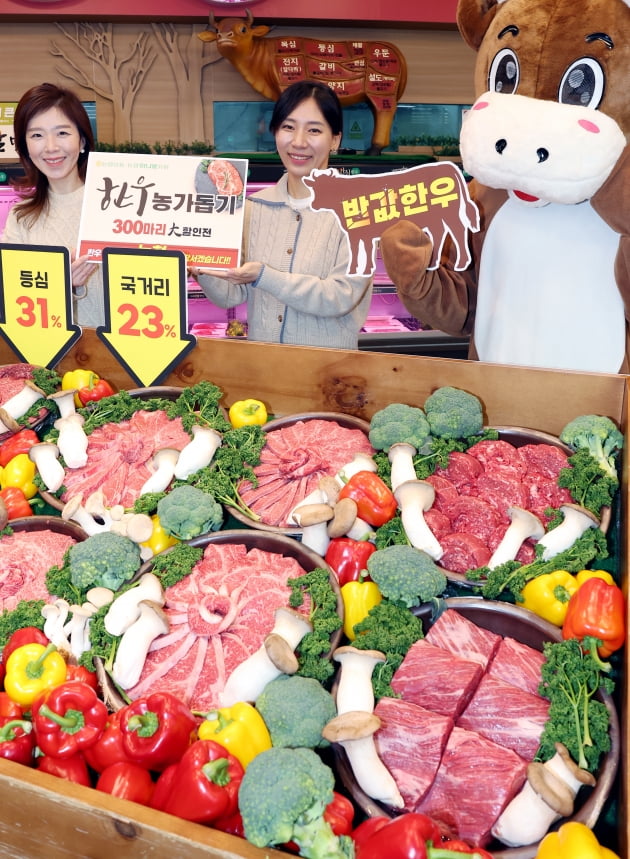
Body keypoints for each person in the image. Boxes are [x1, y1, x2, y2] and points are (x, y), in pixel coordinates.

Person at [190, 81, 373, 349]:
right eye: (288, 127)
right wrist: (202, 268)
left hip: (331, 376)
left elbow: (341, 296)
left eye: (314, 130)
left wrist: (266, 276)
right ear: (275, 132)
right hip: (264, 369)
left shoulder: (359, 211)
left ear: (335, 139)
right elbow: (231, 294)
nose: (298, 142)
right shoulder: (254, 207)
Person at [1, 82, 104, 327]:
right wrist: (59, 284)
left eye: (62, 133)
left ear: (82, 141)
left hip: (122, 356)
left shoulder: (117, 206)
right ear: (25, 146)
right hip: (48, 359)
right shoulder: (20, 218)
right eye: (37, 135)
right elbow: (13, 301)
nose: (51, 147)